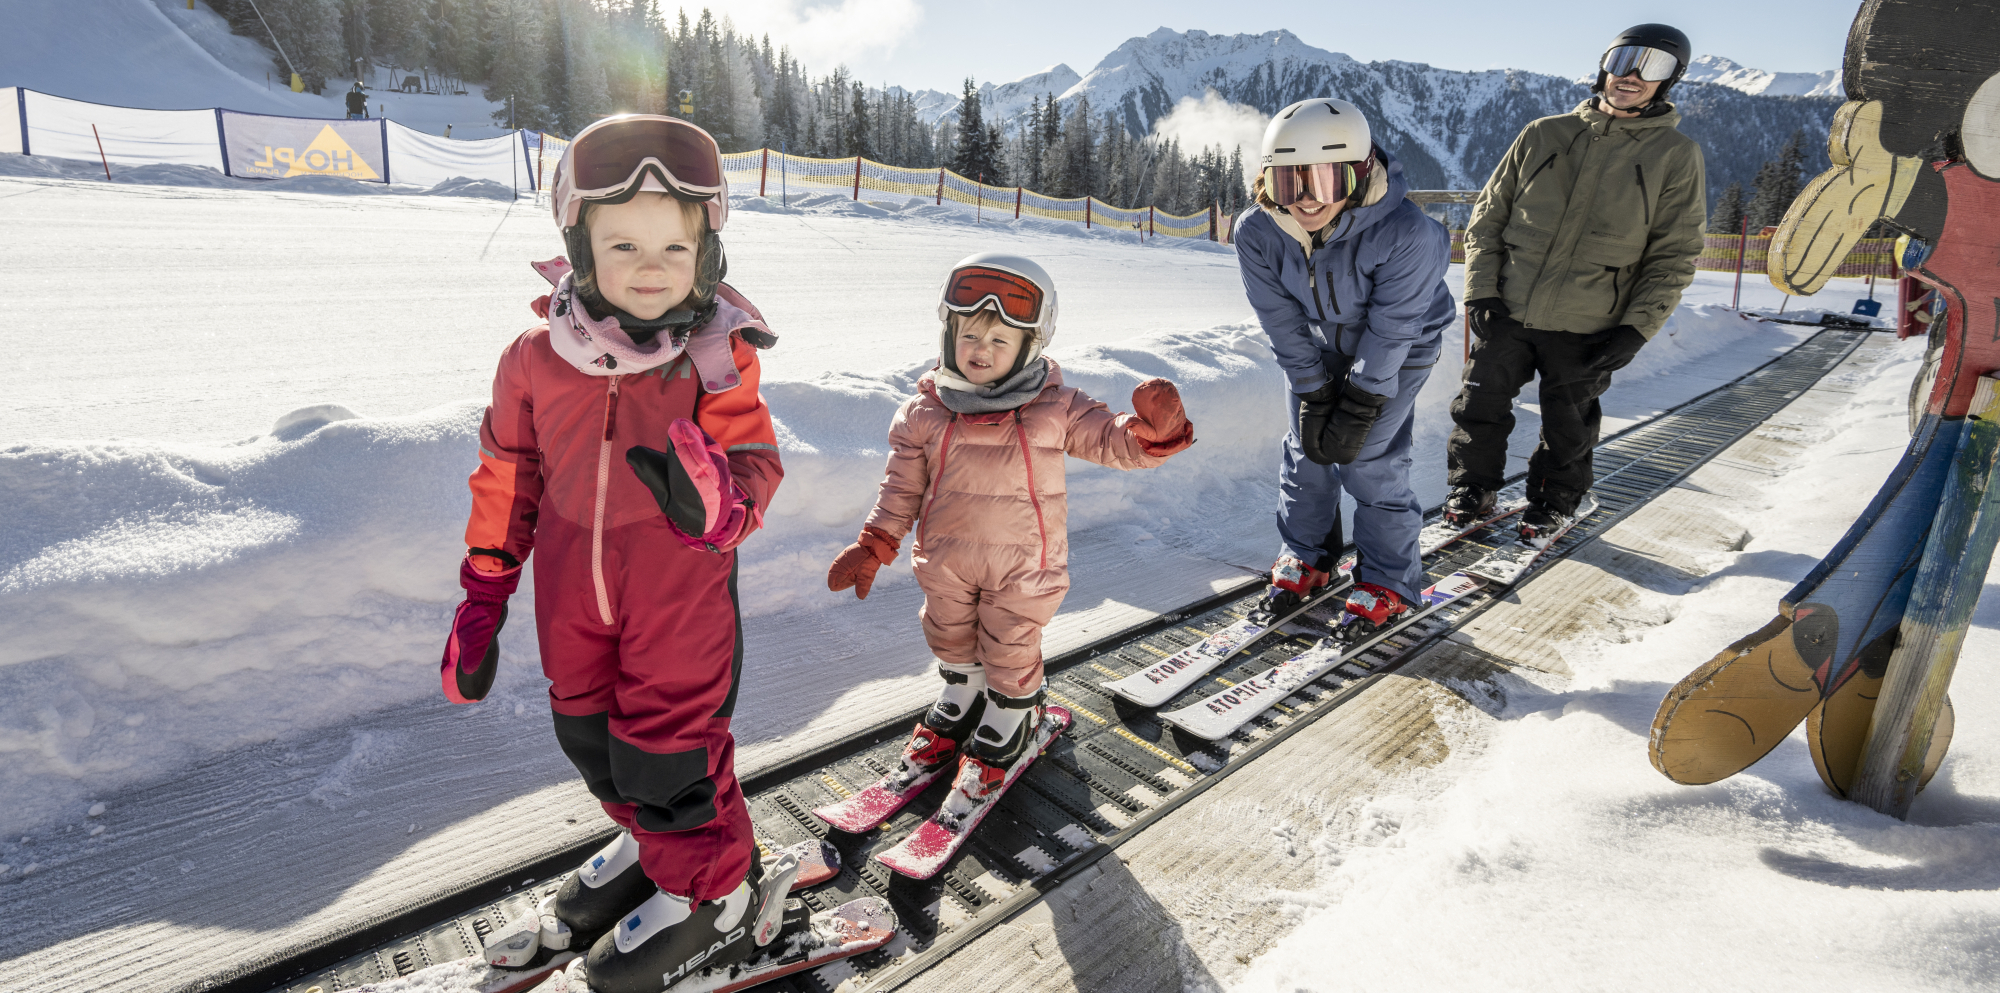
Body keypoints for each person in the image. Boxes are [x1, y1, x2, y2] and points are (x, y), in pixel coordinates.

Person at [440, 114, 792, 991]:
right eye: (624, 242)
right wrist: (484, 592)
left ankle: (720, 895)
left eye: (676, 247)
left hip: (678, 602)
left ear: (707, 253)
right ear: (578, 243)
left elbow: (755, 465)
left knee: (667, 753)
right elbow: (508, 475)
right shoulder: (533, 359)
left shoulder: (714, 356)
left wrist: (717, 504)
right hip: (572, 601)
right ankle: (654, 844)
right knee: (588, 736)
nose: (650, 267)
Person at [826, 253, 1195, 785]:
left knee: (1010, 642)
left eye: (1000, 340)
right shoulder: (924, 412)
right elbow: (901, 488)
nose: (982, 351)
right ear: (948, 334)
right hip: (946, 562)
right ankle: (963, 692)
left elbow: (1111, 439)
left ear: (1029, 346)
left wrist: (1153, 435)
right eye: (970, 336)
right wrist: (875, 543)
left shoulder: (1055, 406)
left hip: (1024, 566)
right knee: (947, 633)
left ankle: (1013, 714)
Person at [1445, 24, 1707, 545]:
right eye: (1625, 58)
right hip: (1511, 307)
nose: (1632, 75)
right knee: (1479, 403)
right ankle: (1472, 488)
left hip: (1591, 320)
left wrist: (1636, 327)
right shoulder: (1544, 134)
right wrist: (1480, 289)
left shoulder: (1674, 156)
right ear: (1605, 62)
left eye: (1651, 66)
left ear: (1669, 80)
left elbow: (1674, 253)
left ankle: (1554, 502)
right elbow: (1487, 218)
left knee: (1568, 421)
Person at [1233, 99, 1456, 633]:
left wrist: (1359, 400)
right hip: (1320, 343)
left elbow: (1394, 327)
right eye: (1289, 184)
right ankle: (1308, 553)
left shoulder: (1407, 233)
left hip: (1400, 348)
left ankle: (1389, 580)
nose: (1306, 200)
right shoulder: (1257, 232)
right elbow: (1281, 320)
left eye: (1324, 182)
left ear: (1357, 177)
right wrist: (1313, 389)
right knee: (1307, 447)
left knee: (1367, 456)